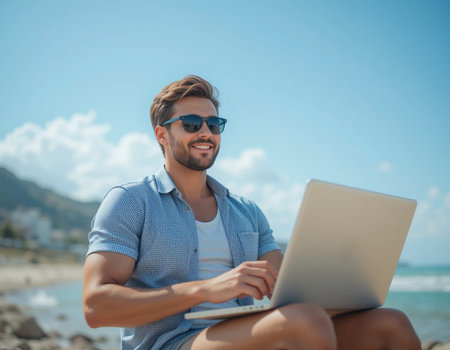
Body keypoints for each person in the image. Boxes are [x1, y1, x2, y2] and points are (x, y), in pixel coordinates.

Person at [83, 75, 421, 350]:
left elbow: (283, 288)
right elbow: (96, 307)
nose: (205, 132)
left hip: (247, 331)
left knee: (390, 324)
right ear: (162, 134)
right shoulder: (131, 201)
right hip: (172, 343)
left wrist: (344, 279)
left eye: (214, 124)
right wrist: (206, 289)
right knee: (304, 322)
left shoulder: (246, 212)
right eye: (191, 123)